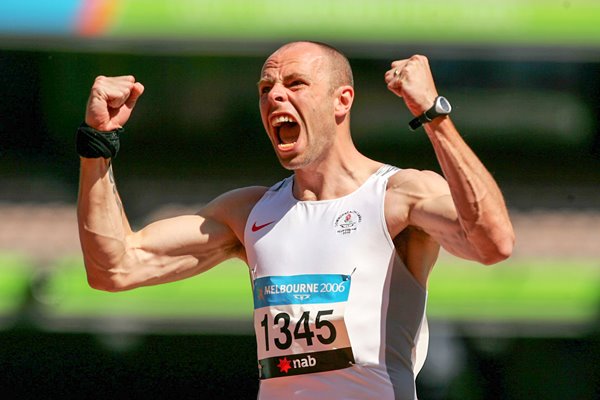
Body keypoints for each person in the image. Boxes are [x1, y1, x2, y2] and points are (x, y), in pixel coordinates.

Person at [77, 41, 514, 399]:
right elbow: (114, 266)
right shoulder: (248, 213)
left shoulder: (398, 196)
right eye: (265, 87)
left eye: (295, 83)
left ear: (341, 100)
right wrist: (98, 143)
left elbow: (493, 243)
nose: (274, 95)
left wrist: (433, 115)